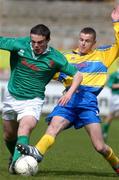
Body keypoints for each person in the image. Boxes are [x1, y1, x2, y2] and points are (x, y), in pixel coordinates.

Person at [17, 5, 119, 175]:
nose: (83, 43)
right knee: (54, 126)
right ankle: (37, 153)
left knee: (100, 146)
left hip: (88, 102)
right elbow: (47, 71)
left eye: (87, 41)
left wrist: (116, 23)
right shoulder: (65, 58)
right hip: (69, 99)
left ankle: (116, 165)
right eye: (81, 39)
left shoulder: (104, 55)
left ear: (94, 43)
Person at [0, 24, 83, 174]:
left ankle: (16, 165)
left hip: (33, 100)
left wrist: (69, 93)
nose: (36, 45)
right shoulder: (19, 44)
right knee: (8, 135)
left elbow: (78, 75)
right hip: (11, 96)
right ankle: (15, 156)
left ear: (48, 40)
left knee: (25, 128)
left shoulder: (55, 57)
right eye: (33, 42)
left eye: (40, 42)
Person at [102, 68, 119, 141]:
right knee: (111, 115)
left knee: (112, 115)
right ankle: (104, 130)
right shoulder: (115, 74)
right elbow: (110, 84)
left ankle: (104, 130)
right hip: (115, 97)